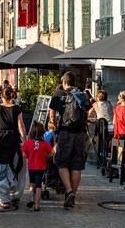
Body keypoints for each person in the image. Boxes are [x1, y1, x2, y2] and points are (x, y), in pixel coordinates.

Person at [48, 71, 92, 209]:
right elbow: (89, 111)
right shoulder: (82, 95)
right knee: (76, 166)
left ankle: (69, 190)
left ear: (65, 82)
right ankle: (72, 195)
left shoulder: (58, 95)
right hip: (80, 134)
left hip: (65, 133)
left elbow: (51, 115)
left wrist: (54, 125)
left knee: (61, 163)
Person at [0, 86, 27, 209]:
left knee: (0, 168)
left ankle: (3, 198)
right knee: (17, 166)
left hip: (0, 140)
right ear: (12, 96)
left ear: (1, 96)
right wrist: (25, 141)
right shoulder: (17, 109)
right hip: (14, 140)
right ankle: (15, 195)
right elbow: (21, 126)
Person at [21, 121, 54, 212]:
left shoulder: (28, 142)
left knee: (32, 183)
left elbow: (23, 154)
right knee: (39, 185)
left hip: (31, 166)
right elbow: (52, 152)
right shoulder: (44, 143)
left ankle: (31, 198)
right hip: (41, 167)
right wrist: (46, 156)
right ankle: (37, 204)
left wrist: (29, 156)